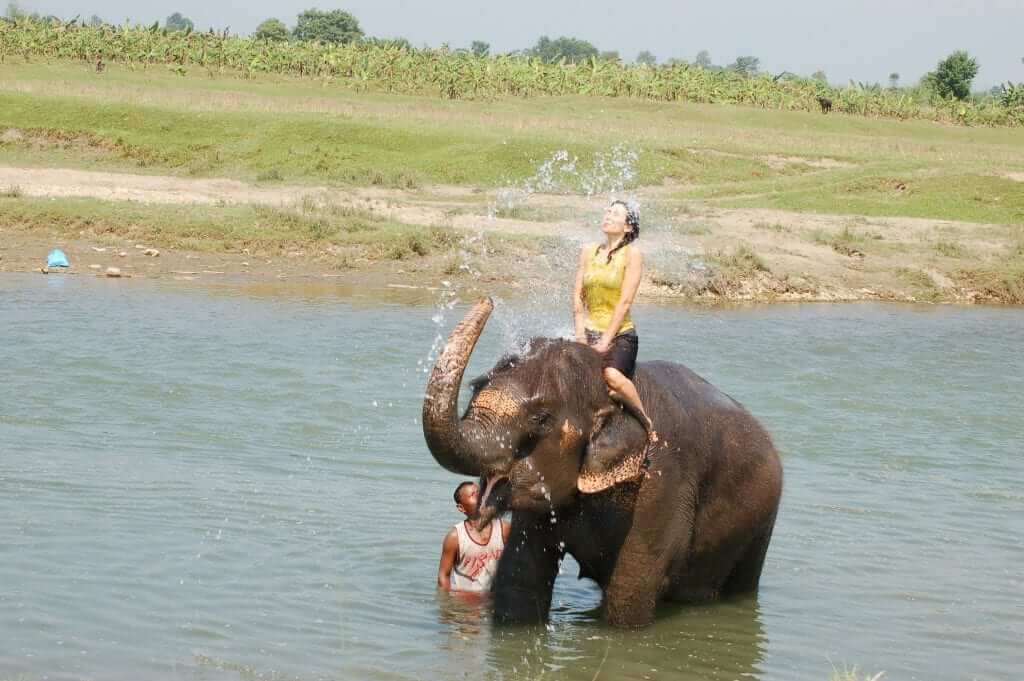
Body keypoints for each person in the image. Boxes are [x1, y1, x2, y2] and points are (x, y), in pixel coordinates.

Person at [572, 199, 658, 443]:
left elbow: (625, 302)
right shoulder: (588, 251)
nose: (607, 215)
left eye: (615, 213)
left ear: (628, 227)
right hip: (588, 331)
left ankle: (644, 421)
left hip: (620, 334)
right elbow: (578, 297)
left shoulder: (633, 255)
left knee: (612, 376)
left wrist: (605, 341)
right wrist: (580, 336)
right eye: (607, 211)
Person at [437, 481, 510, 592]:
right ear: (461, 508)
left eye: (481, 493)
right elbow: (443, 576)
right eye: (473, 495)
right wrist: (447, 607)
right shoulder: (455, 537)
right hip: (466, 603)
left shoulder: (503, 529)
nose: (480, 497)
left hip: (497, 601)